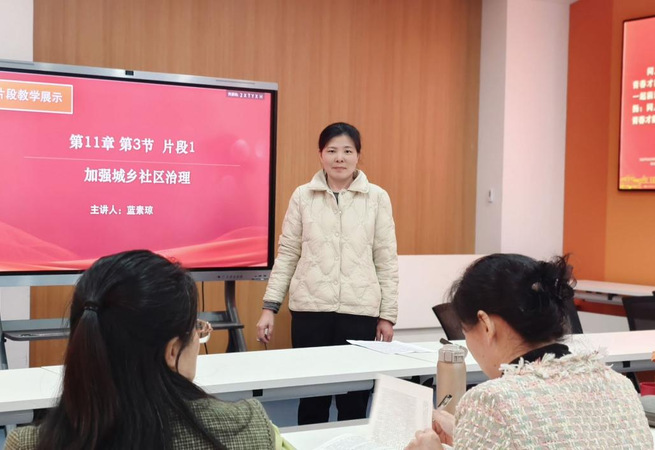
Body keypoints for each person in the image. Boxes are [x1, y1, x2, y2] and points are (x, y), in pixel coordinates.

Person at [4, 250, 281, 450]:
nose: (198, 339)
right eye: (196, 329)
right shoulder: (250, 430)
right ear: (172, 351)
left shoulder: (27, 445)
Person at [406, 254, 651, 449]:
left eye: (465, 331)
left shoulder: (492, 400)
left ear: (486, 325)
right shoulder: (620, 385)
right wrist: (470, 431)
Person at [256, 122, 399, 424]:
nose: (339, 158)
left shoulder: (377, 198)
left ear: (358, 155)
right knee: (312, 399)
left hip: (360, 312)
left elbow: (386, 260)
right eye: (332, 151)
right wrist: (270, 307)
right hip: (310, 312)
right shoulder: (302, 196)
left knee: (354, 400)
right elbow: (287, 254)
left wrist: (387, 316)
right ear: (320, 154)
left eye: (347, 151)